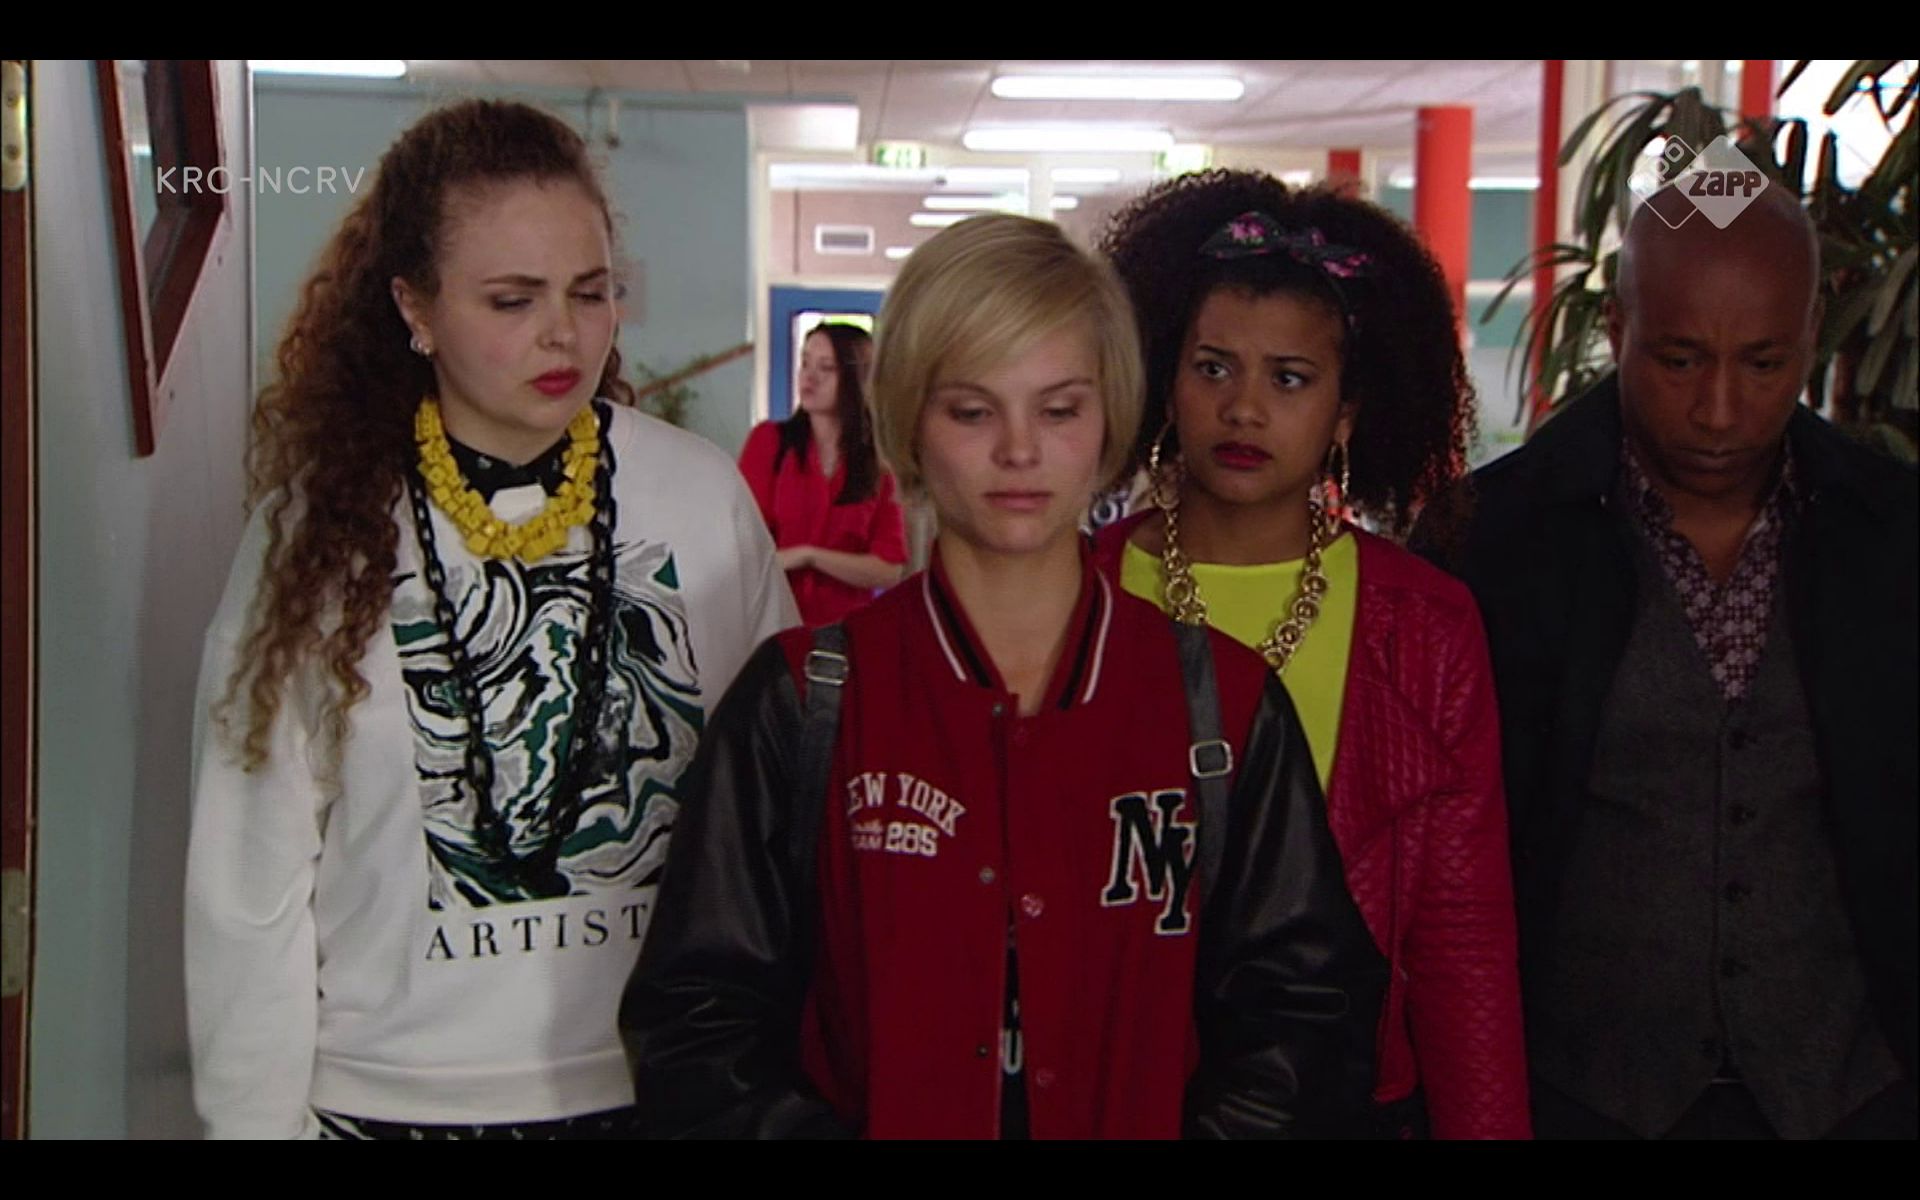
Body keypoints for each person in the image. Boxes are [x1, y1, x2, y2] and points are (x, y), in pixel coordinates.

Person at [621, 212, 1386, 1139]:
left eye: (1059, 410)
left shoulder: (1221, 704)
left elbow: (1309, 1018)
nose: (1019, 452)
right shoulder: (802, 701)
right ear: (907, 423)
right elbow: (696, 1028)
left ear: (1109, 419)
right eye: (972, 411)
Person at [184, 99, 797, 1139]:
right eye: (513, 299)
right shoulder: (316, 533)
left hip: (661, 1093)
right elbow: (249, 881)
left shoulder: (701, 500)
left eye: (592, 292)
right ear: (414, 308)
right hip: (389, 1100)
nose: (564, 333)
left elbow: (777, 814)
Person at [1412, 186, 1917, 1139]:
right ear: (1617, 327)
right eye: (1679, 360)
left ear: (1813, 333)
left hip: (1856, 1095)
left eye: (1764, 363)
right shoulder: (1489, 542)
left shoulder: (1893, 535)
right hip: (1574, 1099)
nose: (1719, 410)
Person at [1092, 169, 1530, 1139]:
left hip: (1347, 1105)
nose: (1244, 409)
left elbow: (1461, 943)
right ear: (1165, 377)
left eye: (1289, 379)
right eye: (1213, 368)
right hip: (1114, 1092)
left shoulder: (1423, 624)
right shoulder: (1084, 587)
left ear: (1345, 413)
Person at [738, 323, 908, 625]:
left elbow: (889, 569)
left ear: (857, 378)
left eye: (826, 367)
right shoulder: (769, 441)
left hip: (846, 632)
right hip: (772, 623)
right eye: (805, 363)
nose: (809, 376)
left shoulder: (878, 464)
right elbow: (744, 544)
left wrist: (809, 556)